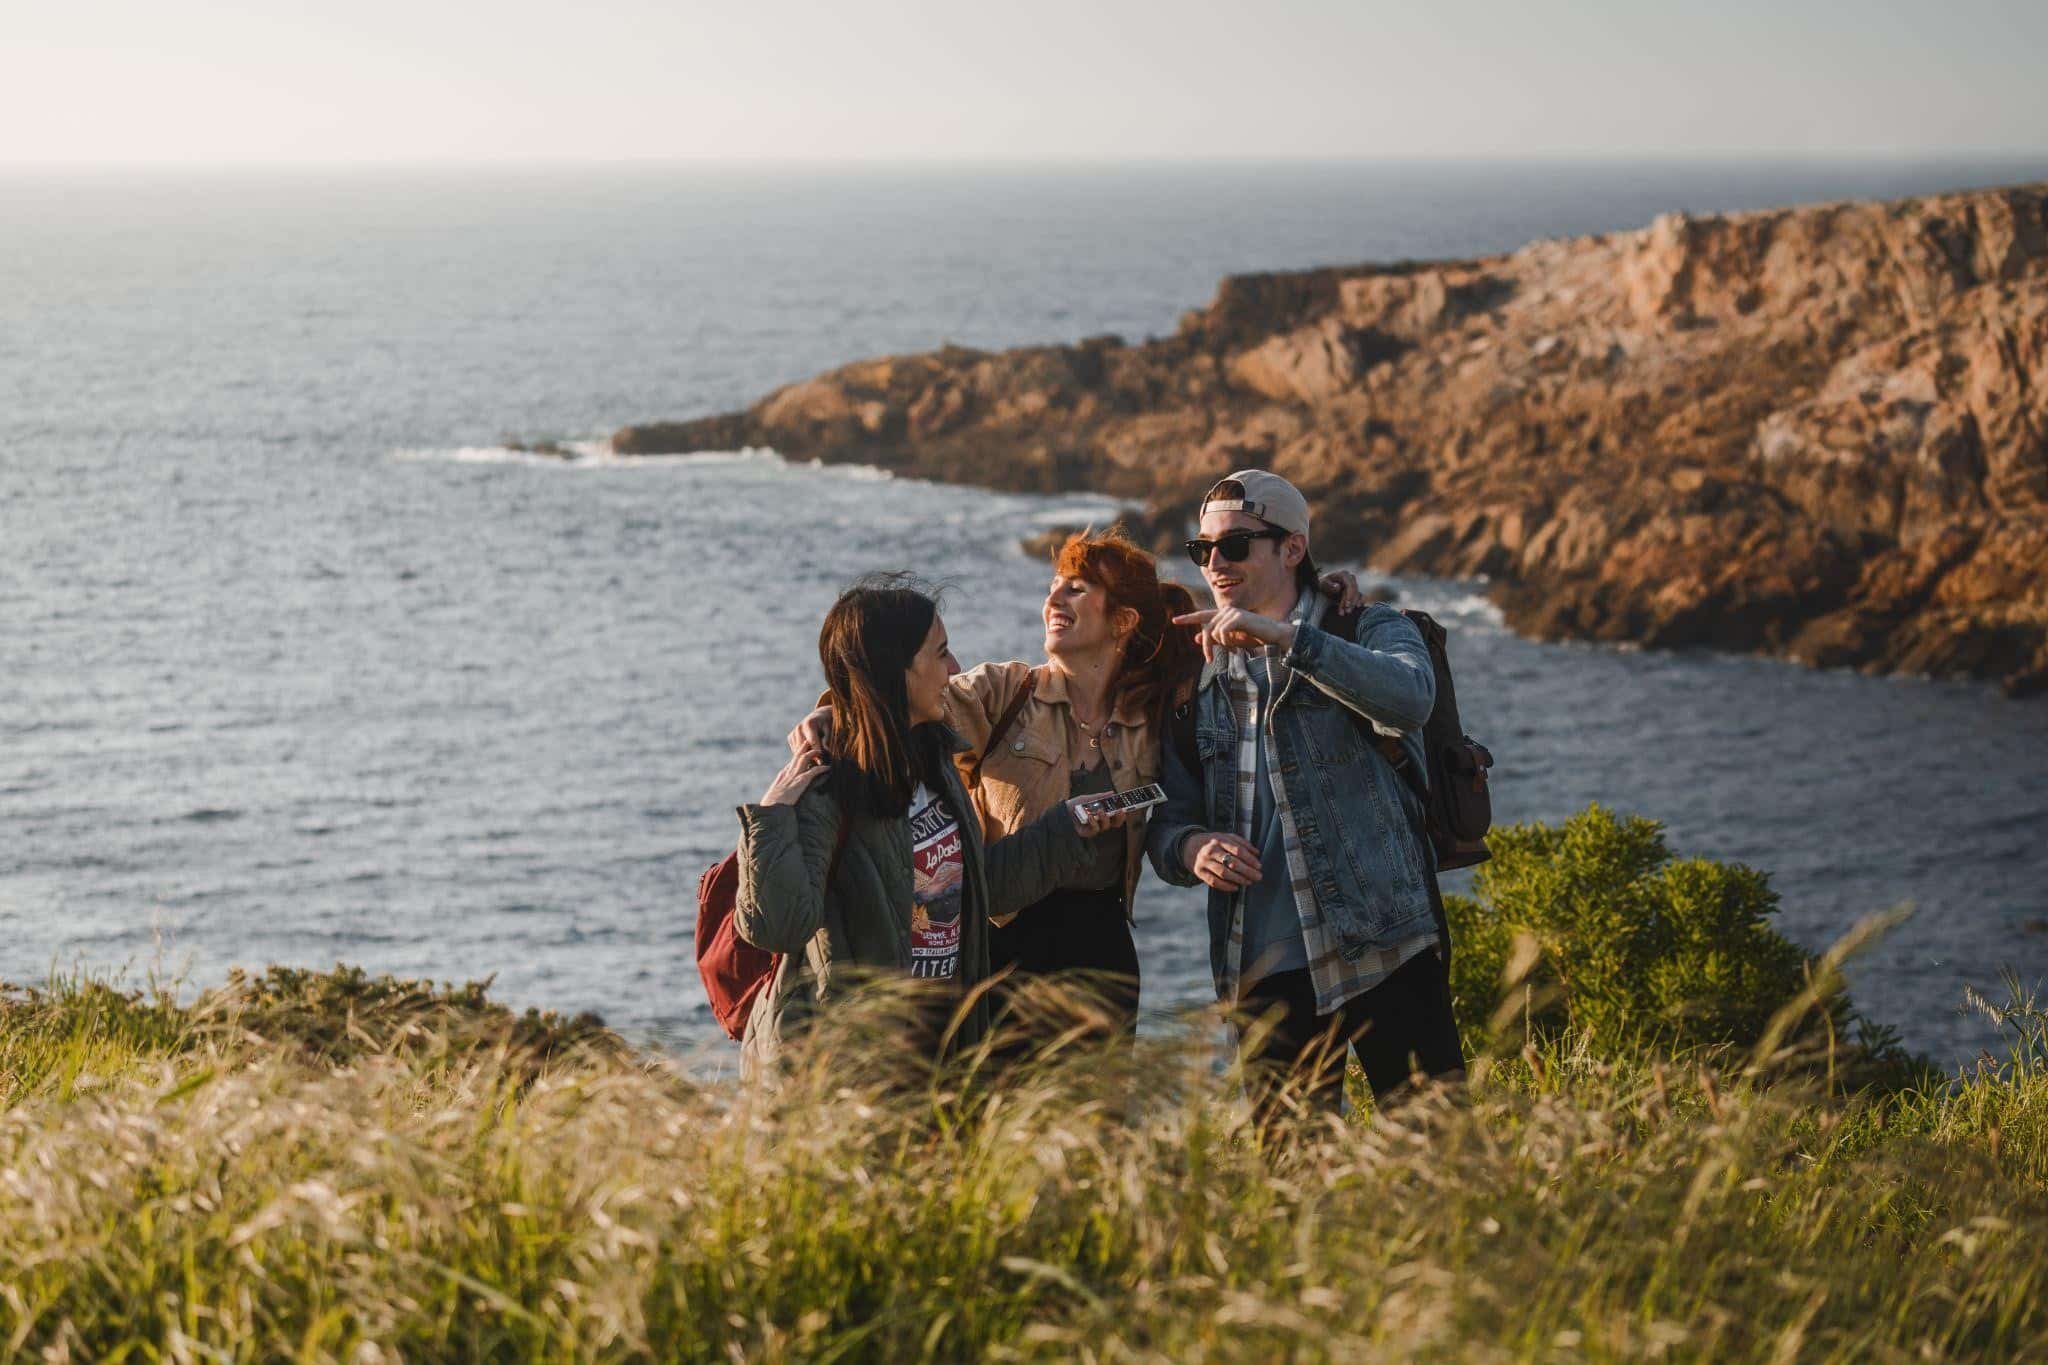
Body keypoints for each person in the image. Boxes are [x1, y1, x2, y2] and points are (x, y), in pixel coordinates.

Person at [789, 531, 1366, 1050]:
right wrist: (828, 717)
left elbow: (1251, 642)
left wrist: (1317, 589)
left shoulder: (1159, 712)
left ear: (1122, 621)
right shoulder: (1003, 692)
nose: (1053, 601)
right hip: (1004, 946)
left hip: (1104, 950)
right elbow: (903, 703)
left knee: (1097, 1135)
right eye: (1053, 587)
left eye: (1076, 589)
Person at [1145, 470, 1464, 1122]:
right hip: (1263, 969)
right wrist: (1193, 844)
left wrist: (1289, 639)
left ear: (1293, 548)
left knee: (1443, 1154)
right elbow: (1168, 818)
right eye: (1202, 549)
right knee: (1293, 1184)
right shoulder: (1196, 672)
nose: (1215, 564)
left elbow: (1410, 697)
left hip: (1384, 944)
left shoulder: (1367, 625)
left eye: (1235, 545)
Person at [733, 575, 1132, 1076]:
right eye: (940, 654)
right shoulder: (826, 784)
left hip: (938, 1046)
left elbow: (977, 892)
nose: (954, 669)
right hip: (848, 1066)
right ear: (895, 671)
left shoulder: (935, 762)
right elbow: (775, 925)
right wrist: (771, 816)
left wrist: (1065, 828)